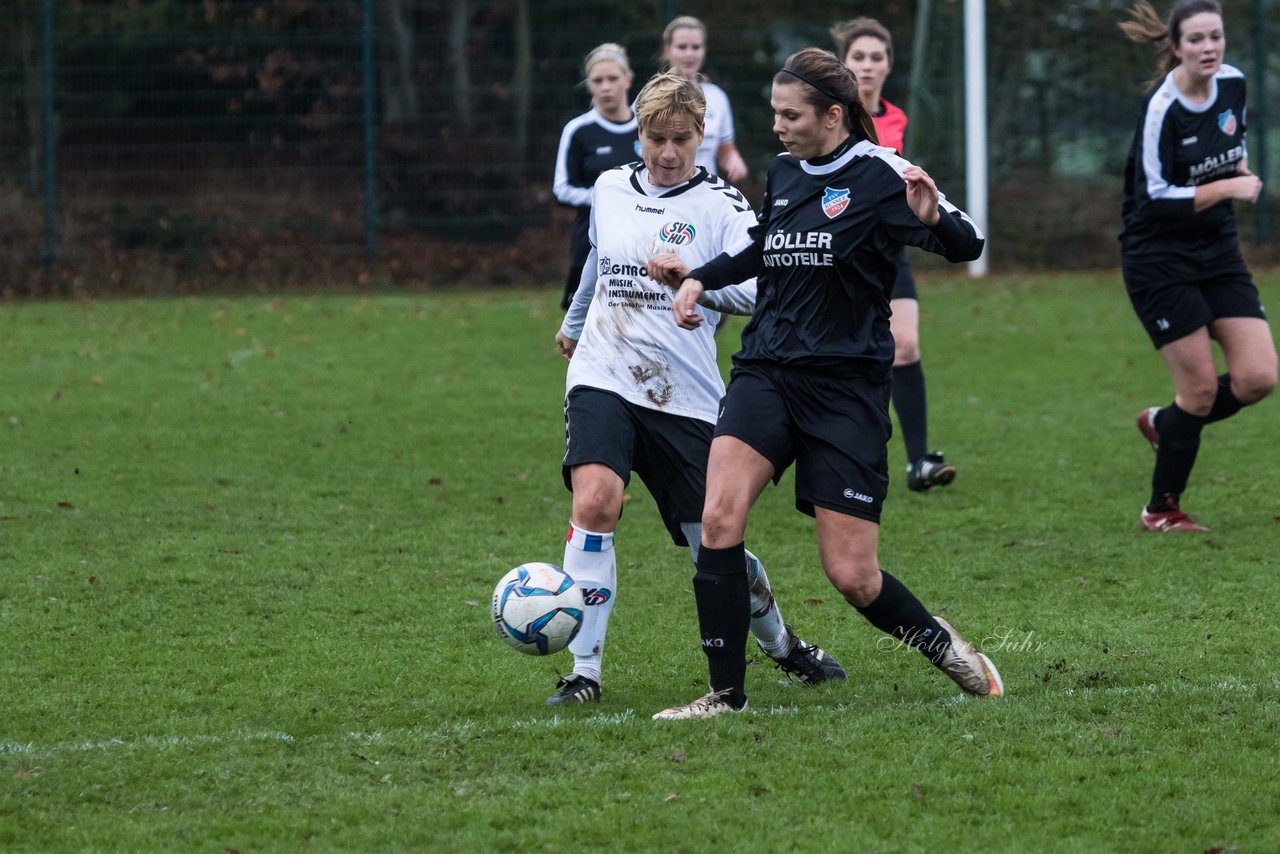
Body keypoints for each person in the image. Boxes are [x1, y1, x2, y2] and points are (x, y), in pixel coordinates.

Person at [647, 48, 1003, 720]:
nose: (778, 127)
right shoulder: (784, 173)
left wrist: (932, 219)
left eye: (791, 115)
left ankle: (942, 644)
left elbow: (970, 243)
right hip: (768, 373)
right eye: (775, 114)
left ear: (833, 115)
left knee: (853, 577)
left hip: (845, 392)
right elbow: (762, 248)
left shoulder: (879, 175)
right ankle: (726, 694)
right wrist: (700, 275)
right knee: (719, 517)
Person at [546, 70, 845, 707]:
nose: (668, 152)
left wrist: (697, 281)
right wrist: (574, 326)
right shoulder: (608, 188)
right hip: (603, 371)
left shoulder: (723, 207)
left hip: (681, 395)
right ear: (639, 133)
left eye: (681, 138)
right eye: (656, 138)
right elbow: (597, 264)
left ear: (702, 135)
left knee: (710, 539)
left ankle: (780, 644)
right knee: (596, 501)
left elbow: (765, 289)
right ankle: (583, 674)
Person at [1120, 0, 1275, 532]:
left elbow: (1234, 144)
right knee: (1202, 390)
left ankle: (1167, 423)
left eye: (1216, 37)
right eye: (1197, 40)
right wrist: (1230, 186)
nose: (1209, 48)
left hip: (1219, 252)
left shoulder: (1233, 82)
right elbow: (1154, 197)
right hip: (1158, 259)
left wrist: (1240, 167)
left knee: (1259, 377)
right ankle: (1160, 509)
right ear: (1176, 46)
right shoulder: (1162, 108)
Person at [833, 17, 955, 492]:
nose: (867, 65)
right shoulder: (830, 116)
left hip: (887, 256)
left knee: (905, 345)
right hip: (836, 259)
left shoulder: (896, 118)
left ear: (889, 64)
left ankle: (919, 461)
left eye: (876, 57)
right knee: (839, 357)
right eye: (858, 57)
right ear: (844, 62)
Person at [553, 43, 639, 310]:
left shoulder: (648, 127)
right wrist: (610, 196)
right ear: (588, 85)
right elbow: (562, 189)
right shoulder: (578, 130)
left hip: (642, 242)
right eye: (597, 80)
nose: (605, 87)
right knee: (581, 335)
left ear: (627, 79)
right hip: (590, 243)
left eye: (612, 79)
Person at [660, 16, 748, 183]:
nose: (689, 54)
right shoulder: (650, 96)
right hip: (663, 191)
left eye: (696, 47)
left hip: (705, 191)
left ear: (704, 50)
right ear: (667, 50)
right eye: (682, 47)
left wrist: (733, 161)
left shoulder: (717, 97)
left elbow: (725, 149)